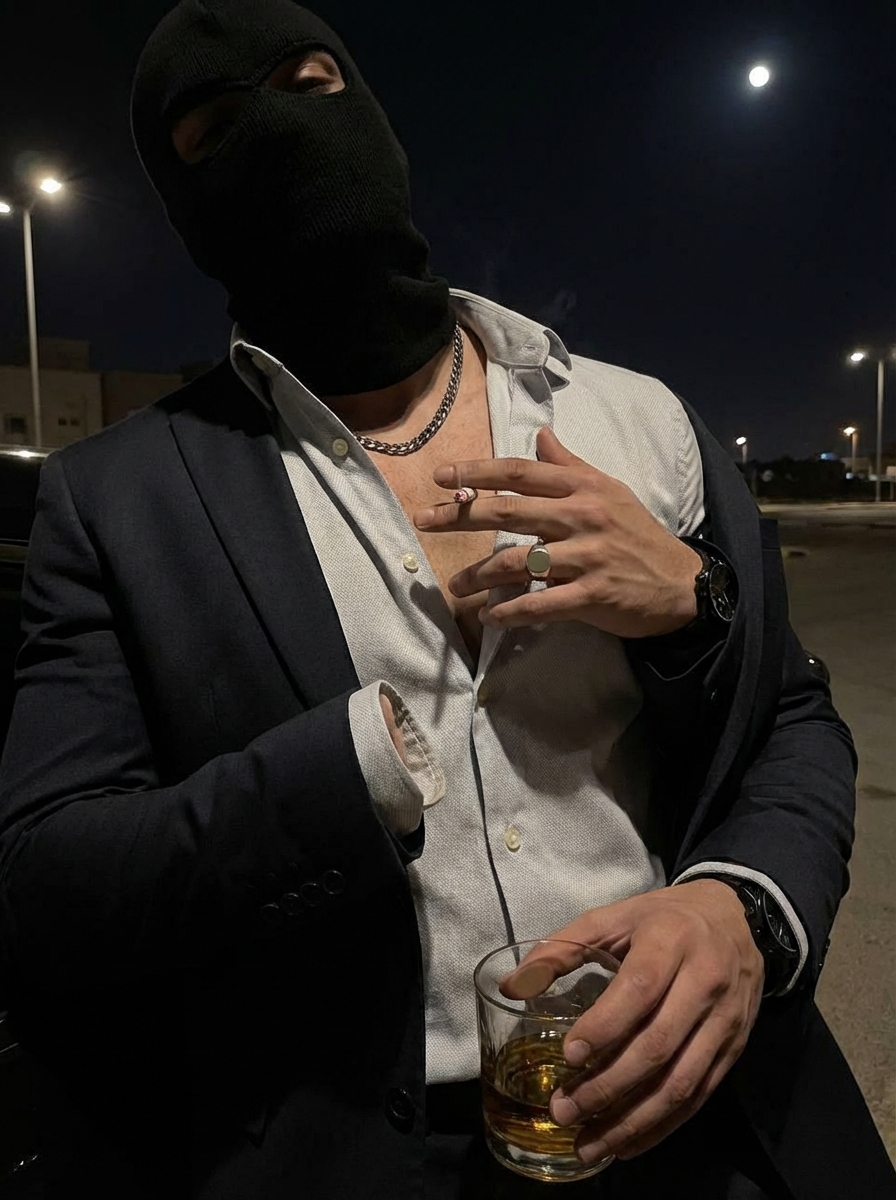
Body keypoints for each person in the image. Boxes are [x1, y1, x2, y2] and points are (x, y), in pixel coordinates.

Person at [0, 2, 892, 1197]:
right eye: (211, 133)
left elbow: (789, 717)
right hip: (353, 1152)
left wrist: (741, 906)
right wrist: (347, 773)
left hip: (698, 1102)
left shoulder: (634, 418)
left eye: (308, 82)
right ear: (180, 206)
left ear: (371, 110)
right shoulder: (116, 500)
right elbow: (49, 880)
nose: (279, 132)